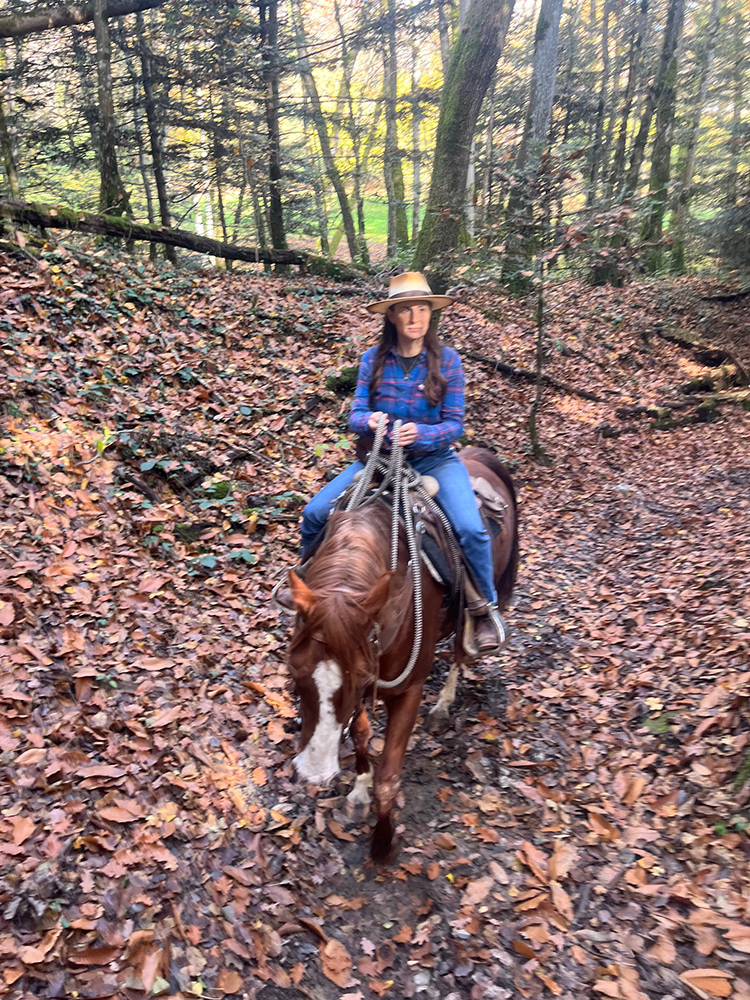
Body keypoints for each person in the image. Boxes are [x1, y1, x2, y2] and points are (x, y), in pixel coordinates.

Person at [275, 272, 505, 654]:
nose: (415, 317)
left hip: (435, 461)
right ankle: (307, 583)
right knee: (315, 513)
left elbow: (454, 425)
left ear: (431, 314)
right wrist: (371, 422)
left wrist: (423, 434)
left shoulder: (448, 362)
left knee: (470, 528)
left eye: (422, 309)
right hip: (379, 462)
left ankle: (485, 610)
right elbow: (356, 414)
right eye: (405, 310)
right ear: (393, 317)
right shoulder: (373, 360)